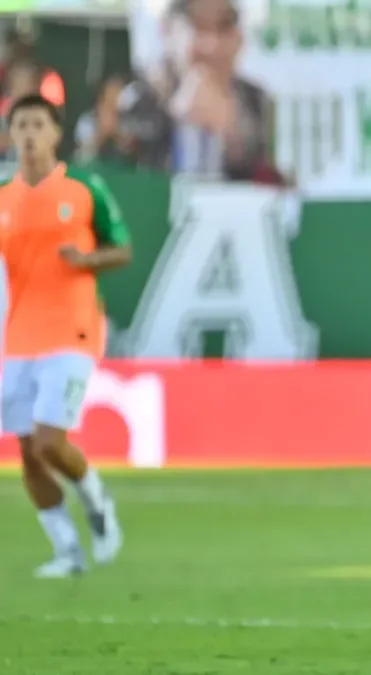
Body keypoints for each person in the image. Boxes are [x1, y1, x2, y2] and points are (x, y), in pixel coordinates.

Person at [0, 94, 131, 578]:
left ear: (56, 133)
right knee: (27, 454)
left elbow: (122, 249)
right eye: (20, 125)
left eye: (38, 124)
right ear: (10, 134)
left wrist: (87, 260)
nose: (29, 134)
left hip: (71, 332)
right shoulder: (3, 198)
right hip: (18, 339)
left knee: (51, 442)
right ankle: (67, 551)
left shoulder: (83, 189)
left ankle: (97, 499)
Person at [119, 0, 277, 181]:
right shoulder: (142, 97)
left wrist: (232, 132)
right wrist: (179, 117)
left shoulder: (255, 100)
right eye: (199, 27)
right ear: (168, 30)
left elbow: (268, 180)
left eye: (224, 27)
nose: (212, 45)